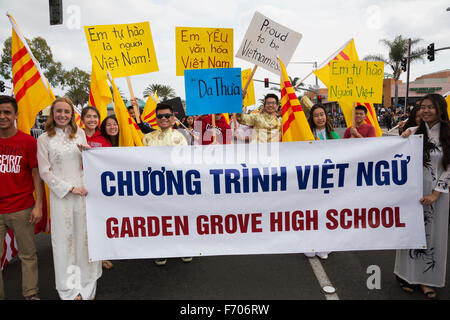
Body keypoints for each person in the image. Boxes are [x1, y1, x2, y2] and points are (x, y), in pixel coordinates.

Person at [37, 97, 102, 300]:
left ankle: (87, 285)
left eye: (67, 112)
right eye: (59, 111)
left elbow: (86, 161)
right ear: (52, 114)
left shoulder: (79, 133)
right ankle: (70, 290)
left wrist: (87, 153)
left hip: (82, 192)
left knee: (84, 238)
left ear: (72, 114)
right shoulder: (43, 139)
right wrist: (69, 188)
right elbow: (44, 172)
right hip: (61, 194)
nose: (63, 115)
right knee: (64, 241)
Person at [395, 93, 450, 299]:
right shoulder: (412, 132)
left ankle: (428, 280)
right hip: (413, 191)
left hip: (439, 193)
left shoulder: (448, 134)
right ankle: (408, 276)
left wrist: (436, 194)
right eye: (423, 107)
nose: (425, 111)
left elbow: (449, 167)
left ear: (440, 110)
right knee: (412, 232)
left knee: (434, 234)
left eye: (430, 107)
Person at [0, 95, 43, 300]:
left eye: (7, 112)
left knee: (28, 255)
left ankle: (31, 293)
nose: (2, 116)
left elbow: (37, 174)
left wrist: (38, 205)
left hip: (22, 208)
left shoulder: (28, 141)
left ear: (16, 115)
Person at [142, 103, 191, 266]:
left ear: (172, 118)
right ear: (156, 119)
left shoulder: (181, 137)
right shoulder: (147, 138)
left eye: (167, 116)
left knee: (179, 218)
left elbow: (185, 162)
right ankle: (161, 250)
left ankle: (183, 248)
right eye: (160, 116)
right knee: (159, 219)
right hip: (155, 186)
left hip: (177, 184)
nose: (163, 119)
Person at [80, 107, 114, 270]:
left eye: (95, 117)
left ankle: (101, 255)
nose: (92, 120)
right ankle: (85, 254)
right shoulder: (76, 136)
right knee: (83, 223)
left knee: (99, 221)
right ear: (82, 119)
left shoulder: (103, 139)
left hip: (98, 188)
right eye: (88, 116)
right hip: (79, 186)